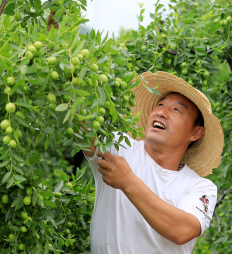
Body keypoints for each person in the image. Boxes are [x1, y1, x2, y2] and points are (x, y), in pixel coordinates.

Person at [83, 71, 224, 253]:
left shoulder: (199, 187)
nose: (161, 112)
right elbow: (80, 122)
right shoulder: (118, 146)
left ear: (195, 133)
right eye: (160, 104)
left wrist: (128, 182)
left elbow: (182, 231)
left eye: (176, 110)